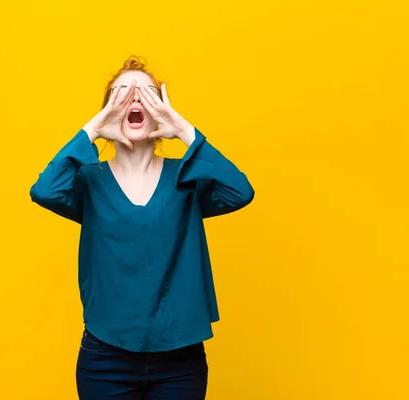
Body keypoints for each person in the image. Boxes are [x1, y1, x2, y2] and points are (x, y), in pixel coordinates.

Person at [29, 55, 255, 400]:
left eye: (147, 94)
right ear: (109, 112)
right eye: (122, 94)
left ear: (160, 109)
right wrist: (92, 130)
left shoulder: (187, 178)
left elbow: (240, 191)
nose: (135, 99)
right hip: (105, 357)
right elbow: (44, 191)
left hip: (180, 359)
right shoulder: (90, 182)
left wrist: (182, 129)